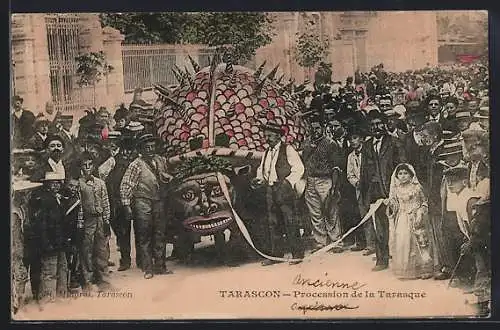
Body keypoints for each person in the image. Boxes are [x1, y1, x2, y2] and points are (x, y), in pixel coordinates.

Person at [120, 133, 174, 279]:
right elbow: (126, 185)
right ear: (141, 149)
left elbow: (167, 176)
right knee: (144, 235)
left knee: (160, 233)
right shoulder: (136, 164)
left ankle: (160, 266)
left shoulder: (161, 160)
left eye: (152, 146)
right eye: (147, 147)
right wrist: (127, 206)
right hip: (142, 201)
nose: (150, 149)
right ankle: (147, 268)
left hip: (158, 200)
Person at [252, 122, 305, 266]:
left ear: (278, 136)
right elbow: (263, 170)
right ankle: (276, 255)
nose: (266, 138)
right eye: (265, 136)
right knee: (273, 223)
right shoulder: (267, 152)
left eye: (269, 135)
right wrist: (259, 179)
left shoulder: (288, 149)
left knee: (290, 221)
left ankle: (297, 254)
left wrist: (288, 183)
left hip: (283, 189)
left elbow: (299, 168)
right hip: (270, 190)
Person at [359, 111, 405, 271]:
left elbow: (402, 167)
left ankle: (403, 261)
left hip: (393, 190)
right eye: (372, 125)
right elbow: (363, 171)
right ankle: (382, 260)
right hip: (375, 192)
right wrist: (365, 193)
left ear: (384, 124)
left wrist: (399, 190)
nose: (376, 127)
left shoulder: (394, 143)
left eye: (379, 124)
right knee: (380, 227)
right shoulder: (366, 146)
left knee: (399, 226)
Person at [301, 120, 343, 253]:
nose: (315, 131)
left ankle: (336, 240)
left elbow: (336, 167)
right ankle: (320, 241)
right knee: (315, 212)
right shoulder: (307, 143)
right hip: (311, 179)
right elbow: (304, 161)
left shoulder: (330, 143)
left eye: (317, 128)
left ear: (323, 128)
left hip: (325, 179)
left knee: (330, 209)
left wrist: (334, 186)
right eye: (312, 128)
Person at [386, 163, 433, 280]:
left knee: (419, 242)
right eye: (400, 174)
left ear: (411, 175)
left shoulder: (416, 188)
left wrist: (420, 212)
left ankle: (423, 269)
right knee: (403, 241)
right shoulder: (396, 190)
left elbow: (424, 202)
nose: (403, 176)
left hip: (416, 217)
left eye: (405, 173)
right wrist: (390, 205)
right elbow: (395, 206)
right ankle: (406, 269)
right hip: (402, 218)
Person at [33, 171, 70, 304]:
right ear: (47, 185)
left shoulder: (58, 198)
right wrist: (46, 243)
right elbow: (41, 225)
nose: (56, 186)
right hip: (50, 243)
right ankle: (47, 300)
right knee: (49, 271)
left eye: (57, 183)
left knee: (62, 268)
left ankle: (60, 297)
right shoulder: (44, 200)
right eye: (52, 183)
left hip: (59, 242)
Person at [78, 152, 112, 291]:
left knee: (101, 250)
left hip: (99, 219)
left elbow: (105, 202)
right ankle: (88, 281)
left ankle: (103, 280)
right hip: (87, 220)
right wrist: (80, 223)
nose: (87, 167)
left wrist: (106, 220)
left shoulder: (100, 183)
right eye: (84, 165)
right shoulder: (79, 184)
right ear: (81, 167)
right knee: (87, 251)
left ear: (93, 166)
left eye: (90, 165)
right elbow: (79, 205)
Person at [11, 179, 43, 313]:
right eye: (25, 193)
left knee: (30, 272)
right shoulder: (15, 212)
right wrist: (19, 253)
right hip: (19, 249)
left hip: (28, 245)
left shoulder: (24, 208)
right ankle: (17, 302)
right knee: (20, 275)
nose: (27, 195)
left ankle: (27, 298)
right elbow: (16, 236)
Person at [347, 126, 375, 256]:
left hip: (371, 188)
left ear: (362, 139)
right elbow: (350, 175)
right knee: (365, 217)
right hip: (360, 190)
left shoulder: (369, 152)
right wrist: (356, 183)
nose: (352, 141)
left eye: (355, 138)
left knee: (376, 216)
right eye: (350, 139)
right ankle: (370, 244)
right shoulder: (351, 157)